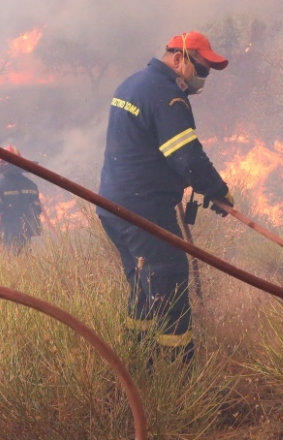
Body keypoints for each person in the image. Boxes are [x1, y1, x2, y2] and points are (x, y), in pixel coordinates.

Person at [97, 31, 234, 361]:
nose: (203, 78)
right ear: (178, 58)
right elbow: (186, 154)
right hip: (144, 210)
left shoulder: (132, 84)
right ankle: (179, 378)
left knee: (144, 287)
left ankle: (139, 367)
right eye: (201, 69)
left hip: (114, 206)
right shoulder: (167, 95)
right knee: (170, 283)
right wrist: (218, 191)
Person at [0, 146, 42, 250]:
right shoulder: (32, 185)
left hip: (8, 228)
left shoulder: (0, 185)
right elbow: (37, 209)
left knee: (1, 258)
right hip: (26, 230)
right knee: (23, 258)